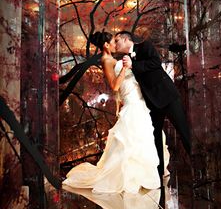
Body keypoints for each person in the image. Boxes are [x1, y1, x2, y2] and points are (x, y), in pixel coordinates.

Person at [63, 31, 163, 193]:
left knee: (142, 136)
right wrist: (124, 68)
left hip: (136, 99)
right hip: (131, 101)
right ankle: (131, 177)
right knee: (130, 138)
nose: (116, 44)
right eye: (113, 42)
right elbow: (115, 86)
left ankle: (143, 175)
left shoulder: (113, 58)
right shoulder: (106, 60)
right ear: (106, 45)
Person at [115, 31, 191, 178]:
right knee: (155, 137)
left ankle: (199, 165)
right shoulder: (125, 59)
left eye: (117, 40)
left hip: (167, 96)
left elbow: (156, 63)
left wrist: (133, 65)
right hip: (152, 103)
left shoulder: (145, 46)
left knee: (183, 131)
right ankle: (159, 172)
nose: (116, 44)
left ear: (126, 39)